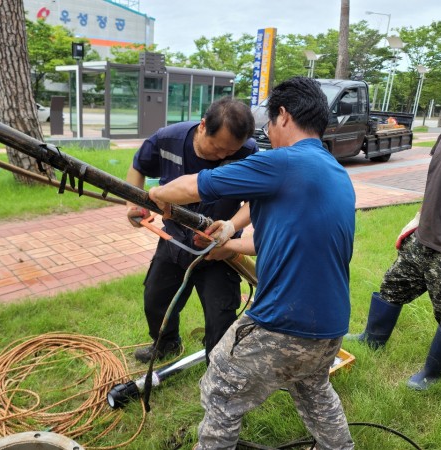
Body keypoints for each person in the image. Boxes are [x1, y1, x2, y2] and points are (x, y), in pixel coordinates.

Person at [148, 77, 355, 450]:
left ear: (283, 115)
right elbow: (276, 237)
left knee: (221, 385)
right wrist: (230, 238)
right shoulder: (333, 171)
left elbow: (195, 186)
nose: (268, 134)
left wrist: (155, 194)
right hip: (330, 326)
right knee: (313, 389)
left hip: (284, 323)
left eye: (269, 124)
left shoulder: (283, 161)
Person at [350, 52, 441, 390]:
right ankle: (373, 339)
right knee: (393, 285)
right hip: (425, 236)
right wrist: (418, 217)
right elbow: (437, 179)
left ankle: (431, 374)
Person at [125, 96, 258, 364]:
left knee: (221, 313)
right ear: (203, 125)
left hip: (219, 249)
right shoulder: (167, 139)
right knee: (155, 299)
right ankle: (166, 343)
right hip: (174, 239)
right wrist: (133, 206)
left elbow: (256, 200)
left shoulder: (247, 151)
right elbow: (138, 167)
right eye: (217, 148)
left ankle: (217, 365)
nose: (223, 156)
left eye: (230, 151)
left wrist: (231, 226)